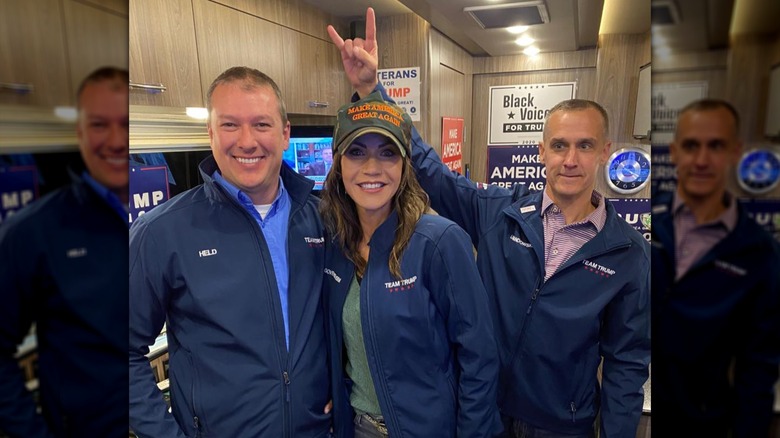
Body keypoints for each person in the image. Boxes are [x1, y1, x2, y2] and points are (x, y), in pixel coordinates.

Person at [327, 9, 650, 437]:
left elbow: (627, 363)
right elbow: (430, 171)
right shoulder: (503, 212)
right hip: (485, 412)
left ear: (604, 151)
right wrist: (373, 91)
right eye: (559, 145)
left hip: (562, 426)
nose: (570, 159)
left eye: (584, 146)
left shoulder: (627, 252)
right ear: (541, 151)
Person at [129, 66, 331, 437]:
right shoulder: (161, 232)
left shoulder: (323, 220)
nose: (247, 141)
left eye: (262, 124)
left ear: (285, 133)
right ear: (210, 133)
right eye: (230, 125)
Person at [321, 92, 502, 437]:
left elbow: (479, 357)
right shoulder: (332, 243)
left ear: (404, 166)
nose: (372, 168)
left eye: (387, 153)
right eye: (357, 152)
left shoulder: (439, 242)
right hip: (355, 428)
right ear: (338, 162)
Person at [0, 67, 129, 437]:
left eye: (126, 122)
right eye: (100, 124)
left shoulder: (166, 221)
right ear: (80, 132)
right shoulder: (33, 231)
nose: (117, 140)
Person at [650, 99, 780, 437]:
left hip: (704, 424)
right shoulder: (646, 227)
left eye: (716, 146)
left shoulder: (759, 252)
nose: (702, 160)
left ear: (735, 152)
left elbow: (759, 369)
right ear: (674, 151)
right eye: (692, 145)